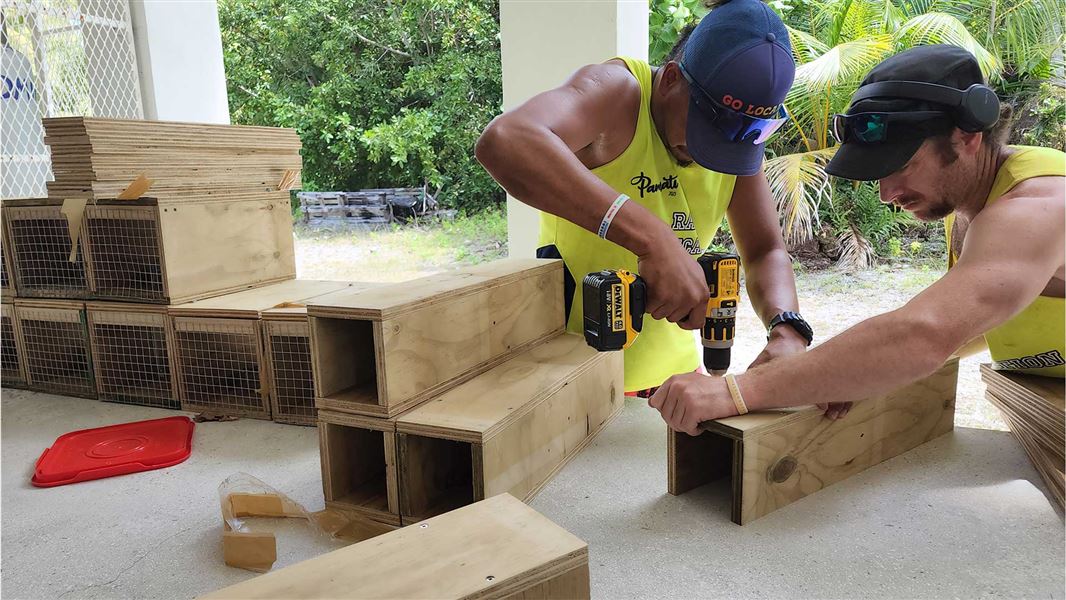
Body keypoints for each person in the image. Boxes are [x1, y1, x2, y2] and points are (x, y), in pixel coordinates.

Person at [649, 44, 1065, 435]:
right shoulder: (974, 200)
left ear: (968, 137)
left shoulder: (1038, 206)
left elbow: (927, 333)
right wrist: (850, 369)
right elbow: (973, 321)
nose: (887, 194)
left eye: (902, 164)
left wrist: (734, 391)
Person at [476, 0, 814, 396]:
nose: (713, 155)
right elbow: (505, 141)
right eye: (706, 132)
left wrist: (787, 328)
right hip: (573, 381)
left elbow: (765, 250)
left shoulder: (734, 141)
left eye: (732, 142)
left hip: (675, 381)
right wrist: (652, 239)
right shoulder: (617, 94)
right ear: (671, 79)